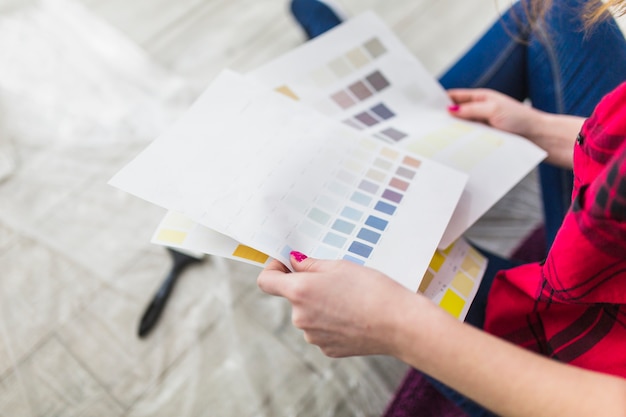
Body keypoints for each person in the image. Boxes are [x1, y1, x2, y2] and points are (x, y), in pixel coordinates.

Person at [257, 0, 626, 416]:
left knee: (352, 241)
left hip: (584, 367)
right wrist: (541, 129)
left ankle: (359, 102)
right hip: (604, 250)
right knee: (557, 12)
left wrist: (396, 326)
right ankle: (371, 114)